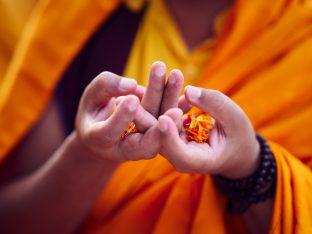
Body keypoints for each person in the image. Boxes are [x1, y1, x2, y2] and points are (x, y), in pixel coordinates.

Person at [0, 0, 311, 233]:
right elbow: (14, 222)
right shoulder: (83, 15)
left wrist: (251, 167)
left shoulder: (301, 35)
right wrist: (89, 154)